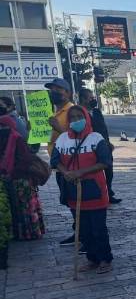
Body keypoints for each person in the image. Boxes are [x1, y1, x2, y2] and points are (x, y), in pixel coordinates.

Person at [50, 106, 113, 274]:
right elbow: (55, 160)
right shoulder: (63, 138)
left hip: (94, 190)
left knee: (98, 228)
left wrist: (81, 172)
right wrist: (67, 173)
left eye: (80, 116)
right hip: (73, 191)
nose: (76, 120)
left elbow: (105, 161)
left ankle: (105, 259)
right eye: (72, 117)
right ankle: (92, 259)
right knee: (82, 229)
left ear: (86, 117)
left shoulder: (95, 137)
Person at [0, 116, 44, 241]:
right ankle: (19, 233)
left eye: (4, 126)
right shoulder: (3, 140)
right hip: (8, 180)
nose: (2, 129)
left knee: (26, 208)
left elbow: (25, 160)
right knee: (15, 208)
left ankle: (31, 233)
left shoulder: (17, 139)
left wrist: (12, 173)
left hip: (21, 180)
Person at [46, 78, 76, 246]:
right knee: (69, 200)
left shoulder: (72, 111)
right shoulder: (52, 112)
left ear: (68, 93)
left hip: (71, 164)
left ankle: (85, 234)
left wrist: (59, 128)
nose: (55, 92)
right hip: (58, 164)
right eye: (52, 89)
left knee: (76, 199)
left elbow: (77, 137)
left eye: (59, 89)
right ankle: (78, 231)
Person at [80, 89, 120, 204]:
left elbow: (103, 128)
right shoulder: (80, 113)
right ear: (83, 99)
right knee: (96, 172)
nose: (93, 100)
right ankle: (98, 195)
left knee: (109, 171)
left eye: (93, 98)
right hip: (91, 147)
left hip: (104, 145)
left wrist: (108, 142)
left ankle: (109, 194)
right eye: (90, 98)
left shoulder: (96, 111)